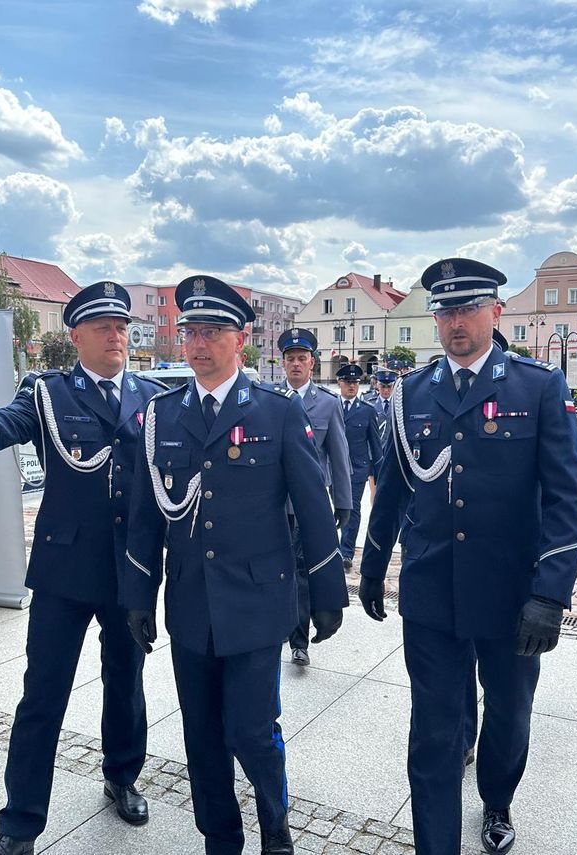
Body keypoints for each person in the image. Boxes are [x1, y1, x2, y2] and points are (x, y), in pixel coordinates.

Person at [0, 281, 165, 855]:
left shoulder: (153, 399)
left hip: (129, 571)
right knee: (41, 697)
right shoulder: (49, 393)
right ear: (74, 335)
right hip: (63, 572)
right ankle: (19, 826)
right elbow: (5, 421)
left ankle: (121, 776)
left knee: (124, 684)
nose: (116, 335)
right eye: (103, 327)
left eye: (122, 326)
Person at [358, 257, 577, 855]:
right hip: (433, 587)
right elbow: (395, 482)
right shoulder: (410, 393)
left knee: (509, 712)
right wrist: (374, 565)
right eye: (445, 310)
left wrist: (550, 593)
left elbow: (566, 497)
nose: (455, 321)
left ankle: (498, 797)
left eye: (466, 308)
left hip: (512, 591)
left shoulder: (537, 386)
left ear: (495, 310)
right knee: (432, 727)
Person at [122, 274, 348, 855]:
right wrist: (137, 595)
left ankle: (275, 826)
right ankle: (220, 837)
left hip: (257, 603)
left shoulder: (274, 412)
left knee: (251, 729)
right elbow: (147, 515)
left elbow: (312, 507)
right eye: (192, 330)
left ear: (241, 339)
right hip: (192, 605)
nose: (199, 343)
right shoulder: (162, 416)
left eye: (214, 331)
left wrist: (325, 593)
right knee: (201, 738)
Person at [274, 328, 351, 664]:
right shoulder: (268, 399)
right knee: (273, 568)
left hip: (307, 505)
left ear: (312, 363)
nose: (295, 365)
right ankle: (272, 627)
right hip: (271, 504)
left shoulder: (328, 404)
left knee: (303, 572)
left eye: (301, 359)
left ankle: (298, 640)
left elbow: (339, 455)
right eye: (289, 359)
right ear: (283, 364)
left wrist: (344, 502)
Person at [335, 362, 382, 571]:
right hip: (332, 468)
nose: (351, 386)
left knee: (352, 509)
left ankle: (346, 552)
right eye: (347, 382)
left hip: (357, 469)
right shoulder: (330, 406)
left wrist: (378, 475)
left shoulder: (367, 411)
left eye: (354, 382)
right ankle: (330, 549)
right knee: (330, 510)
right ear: (339, 383)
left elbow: (375, 445)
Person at [364, 368, 396, 447]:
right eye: (383, 386)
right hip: (374, 448)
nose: (386, 390)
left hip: (393, 449)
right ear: (378, 385)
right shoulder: (368, 402)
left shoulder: (398, 404)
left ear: (394, 386)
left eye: (389, 387)